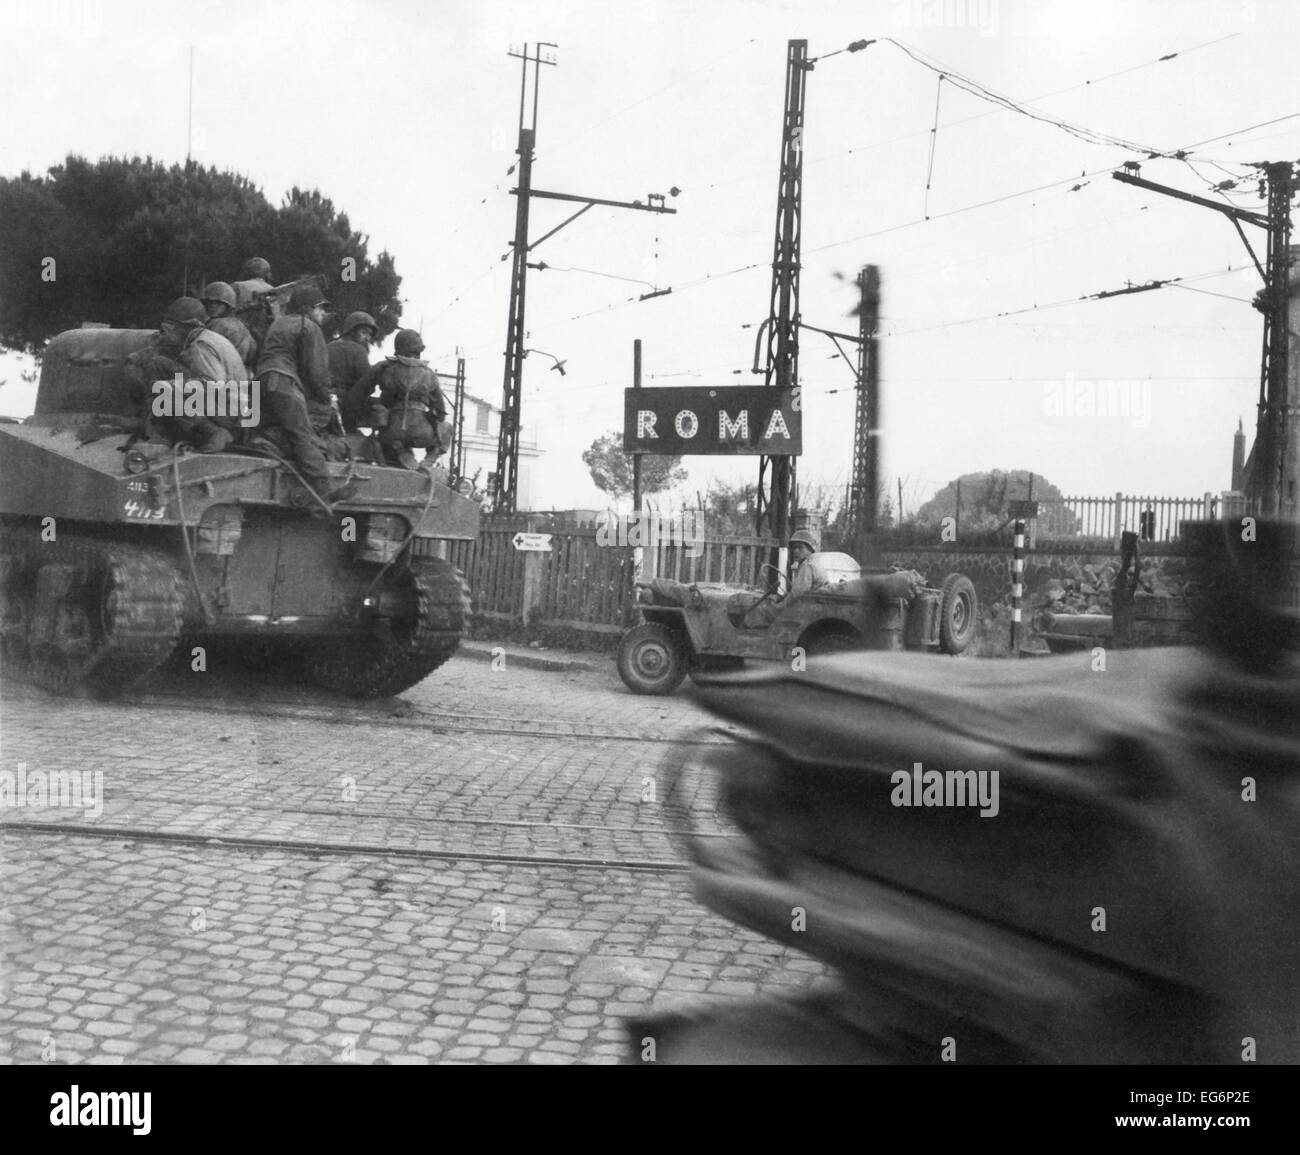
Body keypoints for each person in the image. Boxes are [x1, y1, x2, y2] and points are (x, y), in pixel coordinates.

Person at [254, 282, 354, 503]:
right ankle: (324, 488)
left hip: (262, 381)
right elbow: (316, 373)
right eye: (320, 308)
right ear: (308, 308)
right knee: (303, 435)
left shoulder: (279, 323)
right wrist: (325, 399)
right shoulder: (309, 327)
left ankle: (268, 441)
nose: (323, 314)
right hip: (283, 381)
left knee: (287, 427)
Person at [151, 296, 247, 452]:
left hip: (234, 415)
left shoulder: (201, 345)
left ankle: (214, 432)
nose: (166, 336)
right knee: (160, 363)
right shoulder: (208, 337)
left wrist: (171, 386)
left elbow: (212, 384)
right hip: (236, 406)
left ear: (183, 328)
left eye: (169, 330)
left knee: (166, 391)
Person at [364, 329, 449, 470]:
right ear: (419, 352)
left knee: (383, 425)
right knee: (447, 428)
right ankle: (428, 461)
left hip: (391, 433)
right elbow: (441, 411)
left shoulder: (386, 368)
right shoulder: (429, 373)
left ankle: (399, 449)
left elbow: (381, 400)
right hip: (422, 434)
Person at [330, 312, 379, 432]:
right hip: (346, 404)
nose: (368, 338)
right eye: (364, 332)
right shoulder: (359, 350)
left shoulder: (328, 346)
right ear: (352, 331)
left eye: (369, 334)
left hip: (326, 399)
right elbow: (367, 384)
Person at [201, 282, 257, 370]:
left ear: (228, 306)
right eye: (210, 302)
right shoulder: (240, 324)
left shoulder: (218, 324)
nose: (213, 306)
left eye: (218, 303)